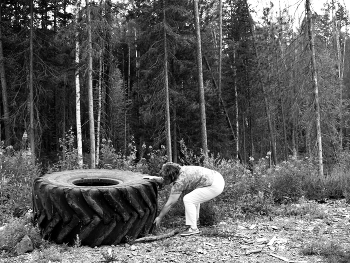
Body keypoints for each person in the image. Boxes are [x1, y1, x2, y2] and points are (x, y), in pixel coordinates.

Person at [144, 162, 225, 236]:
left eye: (165, 177)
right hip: (216, 177)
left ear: (171, 176)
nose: (164, 179)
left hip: (214, 185)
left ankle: (193, 228)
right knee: (194, 198)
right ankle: (194, 222)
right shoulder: (180, 169)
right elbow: (168, 179)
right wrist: (154, 178)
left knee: (188, 199)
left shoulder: (180, 182)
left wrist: (160, 217)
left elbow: (170, 203)